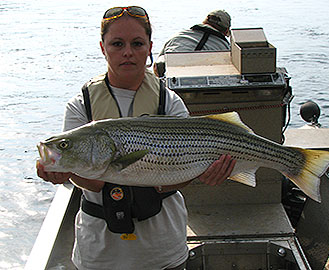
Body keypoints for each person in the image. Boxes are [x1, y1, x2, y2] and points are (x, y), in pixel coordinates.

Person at [36, 6, 236, 270]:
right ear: (102, 47)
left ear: (150, 47)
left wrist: (206, 172)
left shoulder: (170, 102)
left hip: (163, 249)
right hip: (100, 253)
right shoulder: (81, 106)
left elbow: (176, 178)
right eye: (117, 44)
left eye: (137, 43)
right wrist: (63, 171)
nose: (127, 52)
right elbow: (93, 184)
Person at [154, 9, 231, 77]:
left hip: (170, 79)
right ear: (226, 31)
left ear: (204, 22)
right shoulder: (226, 48)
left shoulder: (179, 35)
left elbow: (157, 66)